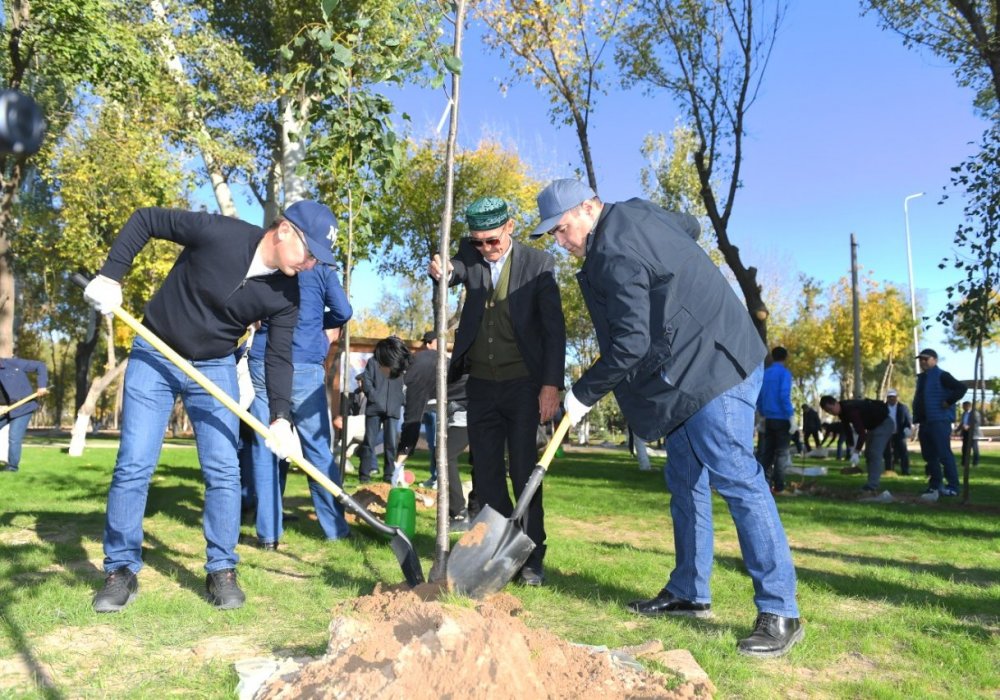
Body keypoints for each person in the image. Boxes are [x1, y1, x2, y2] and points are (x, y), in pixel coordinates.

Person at [531, 179, 802, 657]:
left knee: (737, 478)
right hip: (685, 369)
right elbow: (691, 227)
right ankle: (689, 592)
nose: (560, 240)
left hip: (714, 366)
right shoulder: (636, 211)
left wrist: (582, 394)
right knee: (685, 480)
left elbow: (630, 344)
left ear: (589, 208)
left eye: (561, 228)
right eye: (553, 233)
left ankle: (781, 609)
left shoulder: (613, 252)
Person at [82, 200, 337, 613]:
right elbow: (146, 218)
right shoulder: (222, 233)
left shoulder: (288, 294)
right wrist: (111, 275)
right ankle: (120, 570)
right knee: (134, 463)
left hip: (216, 366)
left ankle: (221, 568)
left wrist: (281, 417)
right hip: (156, 351)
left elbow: (278, 357)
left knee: (223, 468)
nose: (311, 265)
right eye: (310, 254)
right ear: (285, 230)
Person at [428, 195, 565, 587]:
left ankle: (534, 555)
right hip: (482, 385)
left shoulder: (539, 265)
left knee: (524, 471)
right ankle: (501, 550)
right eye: (478, 242)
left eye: (492, 240)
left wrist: (550, 385)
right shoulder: (470, 256)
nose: (486, 249)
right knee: (486, 474)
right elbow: (454, 270)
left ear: (510, 228)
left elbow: (555, 331)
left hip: (524, 385)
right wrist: (443, 269)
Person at [248, 262, 354, 550]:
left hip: (264, 361)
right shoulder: (321, 269)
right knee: (317, 451)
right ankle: (336, 530)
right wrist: (317, 324)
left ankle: (268, 535)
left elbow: (251, 304)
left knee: (267, 446)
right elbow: (344, 312)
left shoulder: (271, 262)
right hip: (304, 363)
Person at [912, 348, 967, 500]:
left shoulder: (942, 375)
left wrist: (948, 401)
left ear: (934, 360)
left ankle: (953, 487)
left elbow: (961, 388)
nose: (922, 362)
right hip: (925, 422)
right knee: (929, 455)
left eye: (926, 358)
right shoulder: (923, 378)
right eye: (921, 359)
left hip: (939, 421)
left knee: (944, 454)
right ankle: (935, 485)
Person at [390, 331, 440, 486]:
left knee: (441, 445)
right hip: (429, 407)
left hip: (446, 408)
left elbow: (411, 421)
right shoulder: (421, 362)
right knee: (433, 444)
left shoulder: (423, 364)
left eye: (429, 342)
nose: (426, 344)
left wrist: (400, 462)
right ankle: (435, 477)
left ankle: (439, 478)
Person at [818, 395, 894, 493]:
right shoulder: (842, 412)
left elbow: (862, 434)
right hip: (873, 427)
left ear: (836, 403)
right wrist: (851, 446)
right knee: (868, 454)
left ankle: (872, 485)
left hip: (884, 424)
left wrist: (856, 451)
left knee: (874, 453)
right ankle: (871, 483)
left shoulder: (850, 409)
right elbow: (847, 429)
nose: (831, 413)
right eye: (828, 411)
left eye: (830, 409)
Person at [357, 338, 406, 484]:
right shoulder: (374, 361)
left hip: (393, 408)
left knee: (391, 444)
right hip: (374, 408)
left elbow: (409, 382)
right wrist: (373, 396)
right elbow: (366, 380)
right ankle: (364, 475)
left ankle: (389, 475)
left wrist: (401, 399)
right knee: (369, 442)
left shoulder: (402, 363)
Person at [0, 356, 49, 472]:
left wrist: (42, 385)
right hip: (4, 409)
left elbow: (40, 365)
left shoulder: (12, 363)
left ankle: (12, 468)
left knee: (14, 437)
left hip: (22, 407)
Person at [757, 347, 794, 493]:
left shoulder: (765, 373)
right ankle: (779, 486)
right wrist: (790, 415)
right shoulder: (784, 373)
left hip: (768, 418)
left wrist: (762, 413)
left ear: (772, 357)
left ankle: (763, 484)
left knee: (767, 453)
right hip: (781, 417)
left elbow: (759, 397)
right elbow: (784, 395)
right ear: (786, 357)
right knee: (782, 453)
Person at [883, 389, 912, 475]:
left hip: (900, 433)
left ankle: (905, 470)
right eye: (889, 397)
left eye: (893, 397)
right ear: (887, 398)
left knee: (903, 452)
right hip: (887, 433)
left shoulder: (903, 407)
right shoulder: (883, 408)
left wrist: (907, 428)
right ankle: (889, 470)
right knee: (887, 453)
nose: (891, 399)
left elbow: (908, 420)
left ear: (896, 398)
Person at [957, 400, 982, 469]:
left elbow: (977, 423)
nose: (963, 407)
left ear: (968, 406)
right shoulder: (964, 413)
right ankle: (964, 463)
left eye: (964, 406)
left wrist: (969, 426)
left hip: (973, 434)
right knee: (964, 448)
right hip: (965, 433)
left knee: (974, 449)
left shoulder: (975, 413)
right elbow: (962, 423)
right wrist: (957, 430)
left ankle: (975, 463)